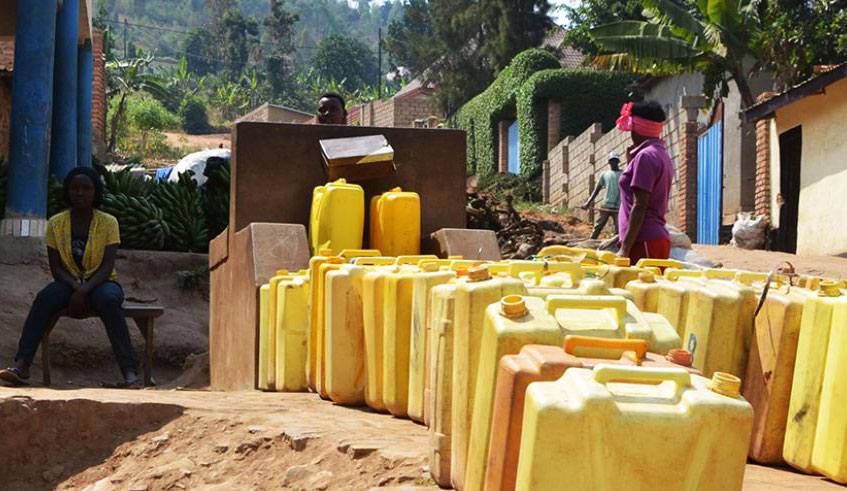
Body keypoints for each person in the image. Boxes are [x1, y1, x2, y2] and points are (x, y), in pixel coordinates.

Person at [0, 167, 140, 387]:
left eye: (86, 188)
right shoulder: (56, 223)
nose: (80, 193)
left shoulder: (109, 222)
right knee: (45, 298)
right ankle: (22, 364)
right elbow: (56, 268)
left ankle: (130, 372)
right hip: (68, 282)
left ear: (95, 192)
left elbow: (107, 266)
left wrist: (83, 290)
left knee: (109, 300)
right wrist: (76, 287)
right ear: (68, 191)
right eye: (75, 188)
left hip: (101, 282)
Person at [615, 101, 674, 263]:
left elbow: (640, 205)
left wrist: (625, 249)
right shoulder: (659, 153)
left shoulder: (645, 157)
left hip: (643, 241)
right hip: (652, 239)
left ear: (638, 129)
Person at [581, 152, 623, 239]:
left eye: (615, 160)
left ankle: (616, 246)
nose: (614, 162)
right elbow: (596, 190)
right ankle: (591, 241)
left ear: (618, 161)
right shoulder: (604, 174)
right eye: (612, 161)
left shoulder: (623, 174)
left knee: (619, 229)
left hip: (619, 207)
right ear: (609, 162)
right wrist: (587, 203)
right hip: (606, 205)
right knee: (598, 226)